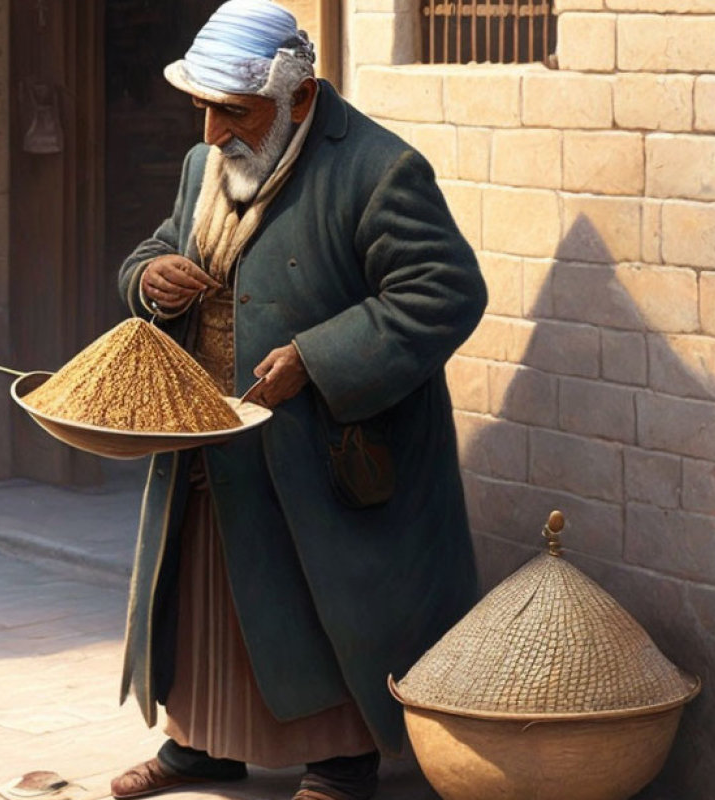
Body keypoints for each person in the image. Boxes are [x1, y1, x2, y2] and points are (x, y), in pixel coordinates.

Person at [112, 2, 488, 799]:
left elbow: (445, 292)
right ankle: (199, 746)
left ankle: (339, 761)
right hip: (211, 441)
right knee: (206, 599)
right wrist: (149, 278)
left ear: (302, 98)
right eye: (204, 109)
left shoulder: (379, 170)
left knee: (315, 605)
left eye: (233, 113)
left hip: (313, 451)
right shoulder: (202, 165)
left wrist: (316, 360)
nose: (214, 132)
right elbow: (154, 247)